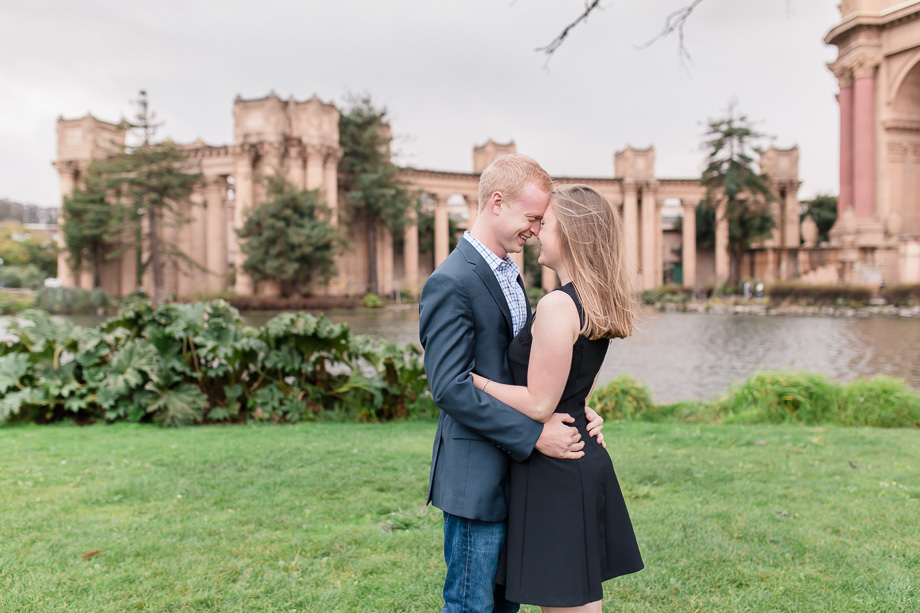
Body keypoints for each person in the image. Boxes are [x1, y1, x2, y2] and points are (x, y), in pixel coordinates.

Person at [419, 155, 607, 613]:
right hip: (477, 479)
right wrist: (534, 434)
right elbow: (450, 387)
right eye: (532, 218)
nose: (537, 230)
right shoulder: (451, 281)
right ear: (497, 203)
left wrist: (572, 406)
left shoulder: (509, 273)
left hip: (522, 479)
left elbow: (525, 369)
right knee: (471, 606)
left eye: (542, 221)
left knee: (506, 607)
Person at [470, 184, 644, 611]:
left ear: (568, 234)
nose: (536, 233)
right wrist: (582, 408)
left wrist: (475, 381)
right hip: (576, 456)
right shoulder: (594, 300)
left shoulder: (557, 305)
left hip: (558, 470)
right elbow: (575, 385)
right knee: (574, 602)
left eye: (544, 224)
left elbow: (539, 404)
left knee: (568, 604)